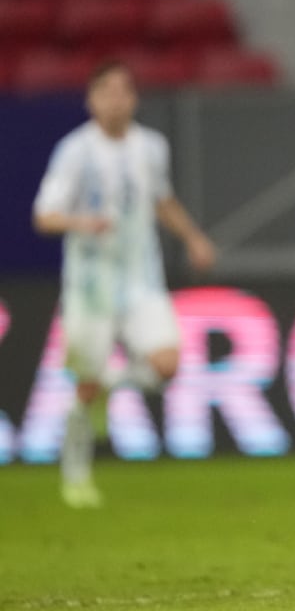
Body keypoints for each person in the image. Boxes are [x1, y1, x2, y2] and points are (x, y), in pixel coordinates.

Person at [32, 59, 217, 509]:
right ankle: (75, 473)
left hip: (141, 280)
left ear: (134, 99)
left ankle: (109, 383)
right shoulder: (74, 151)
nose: (117, 100)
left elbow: (162, 199)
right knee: (86, 386)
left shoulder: (151, 147)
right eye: (107, 92)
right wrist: (82, 222)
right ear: (91, 100)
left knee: (167, 365)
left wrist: (193, 238)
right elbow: (44, 216)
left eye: (124, 91)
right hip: (89, 288)